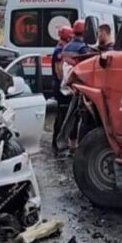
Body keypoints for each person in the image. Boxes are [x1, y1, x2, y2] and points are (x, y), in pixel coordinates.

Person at [50, 24, 74, 155]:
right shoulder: (59, 51)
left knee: (62, 114)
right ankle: (57, 143)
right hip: (60, 88)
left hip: (59, 87)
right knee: (61, 115)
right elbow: (59, 71)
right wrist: (65, 84)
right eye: (70, 37)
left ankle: (57, 142)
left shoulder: (60, 48)